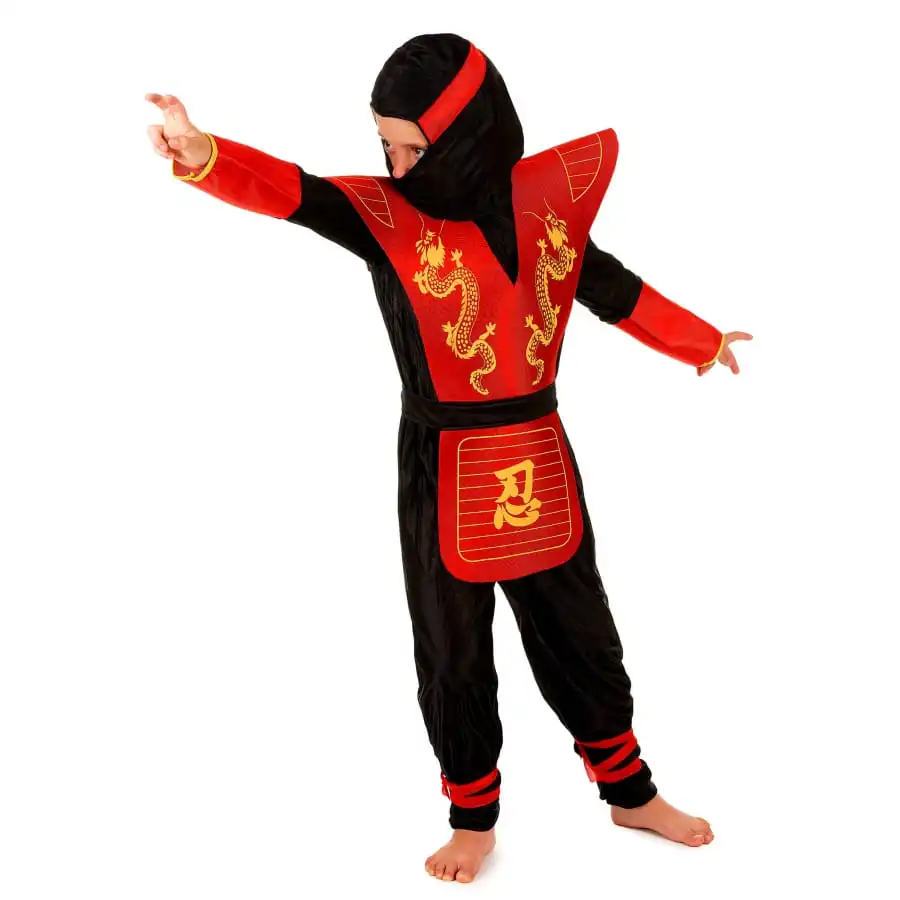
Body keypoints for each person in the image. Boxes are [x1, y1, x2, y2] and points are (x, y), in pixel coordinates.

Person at [146, 32, 751, 884]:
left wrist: (700, 341)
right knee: (453, 649)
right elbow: (297, 192)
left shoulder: (545, 214)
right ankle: (473, 820)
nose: (395, 166)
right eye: (384, 145)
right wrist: (204, 153)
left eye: (410, 147)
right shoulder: (384, 218)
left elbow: (616, 291)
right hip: (442, 463)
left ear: (467, 135)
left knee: (582, 633)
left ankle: (630, 792)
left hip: (537, 449)